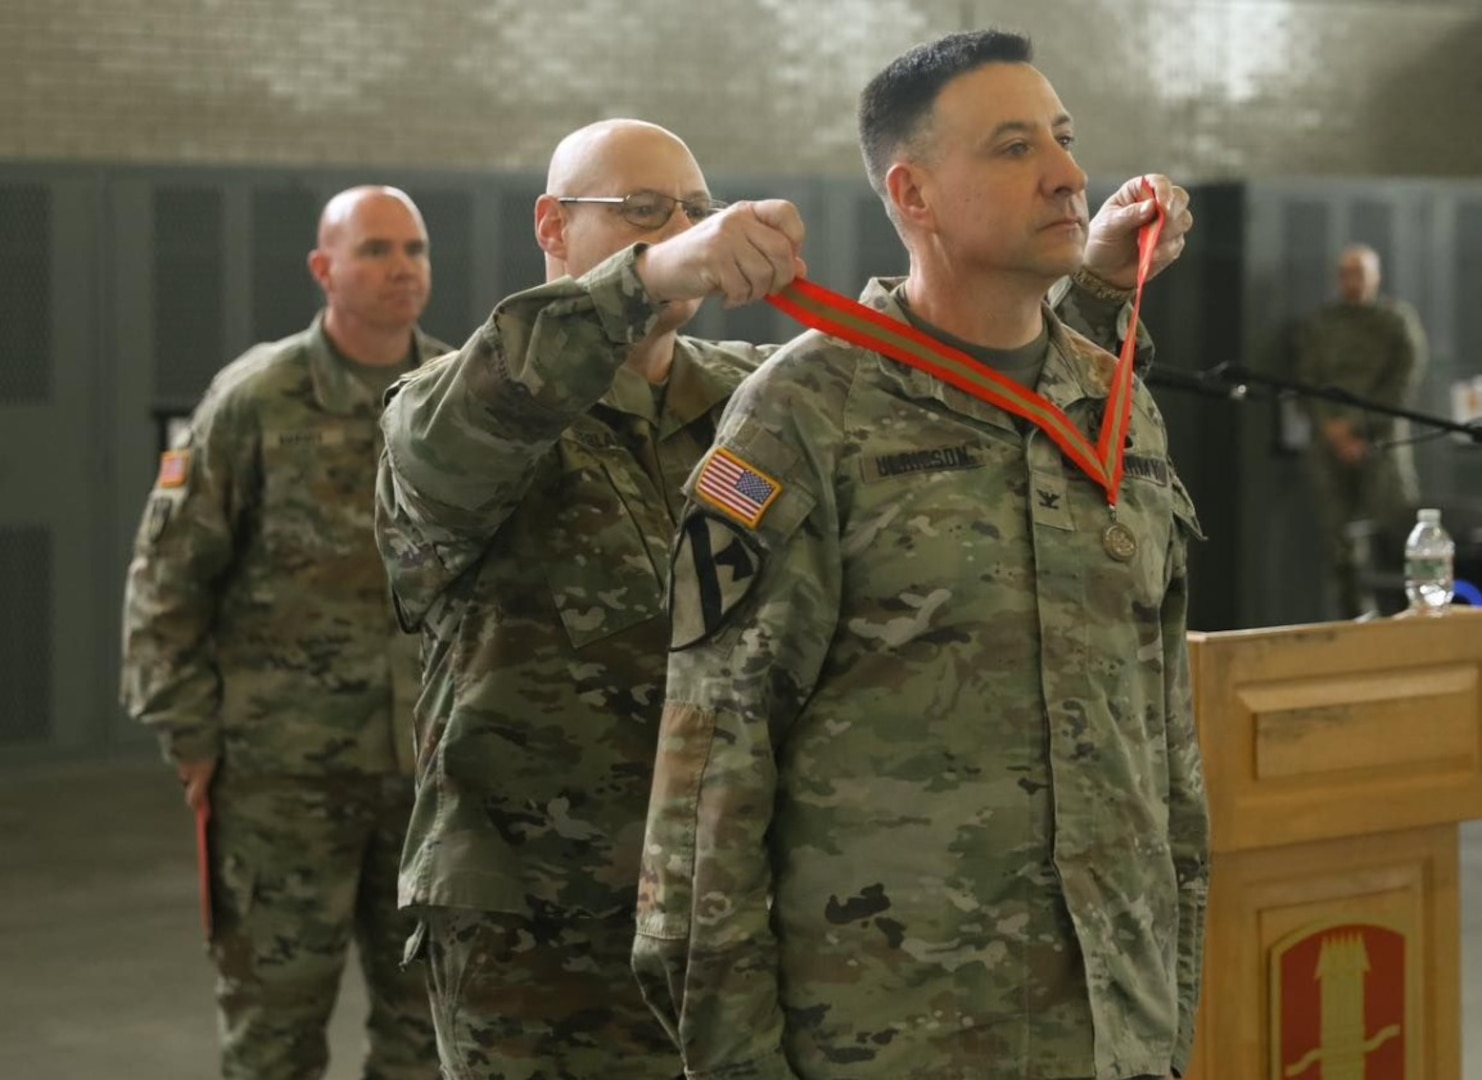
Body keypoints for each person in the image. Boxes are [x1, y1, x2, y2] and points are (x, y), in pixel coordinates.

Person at [375, 117, 1192, 1080]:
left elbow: (982, 408)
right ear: (553, 227)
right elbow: (468, 434)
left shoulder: (755, 398)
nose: (679, 230)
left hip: (728, 914)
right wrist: (645, 280)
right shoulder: (453, 406)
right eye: (643, 212)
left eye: (694, 211)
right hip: (545, 933)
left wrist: (1089, 287)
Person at [633, 31, 1206, 1080]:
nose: (1069, 174)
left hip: (1111, 1028)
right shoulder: (805, 415)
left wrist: (1169, 1013)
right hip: (892, 1035)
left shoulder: (1111, 404)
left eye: (1066, 139)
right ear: (914, 194)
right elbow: (712, 777)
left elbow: (1162, 740)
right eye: (1013, 146)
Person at [120, 185, 446, 1080]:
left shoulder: (455, 395)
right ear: (323, 268)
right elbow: (166, 579)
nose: (401, 270)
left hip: (429, 778)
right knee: (274, 1034)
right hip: (282, 781)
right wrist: (190, 735)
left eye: (414, 250)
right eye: (376, 250)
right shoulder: (254, 400)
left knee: (429, 1033)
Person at [1295, 243, 1428, 618]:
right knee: (1340, 542)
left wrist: (1356, 427)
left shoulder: (1396, 321)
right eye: (1345, 274)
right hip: (1329, 445)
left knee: (1394, 532)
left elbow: (1402, 382)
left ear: (1376, 277)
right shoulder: (1321, 324)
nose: (1351, 282)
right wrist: (1333, 429)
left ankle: (1404, 619)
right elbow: (1307, 380)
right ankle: (1353, 620)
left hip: (1382, 441)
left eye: (1360, 273)